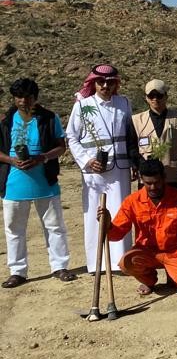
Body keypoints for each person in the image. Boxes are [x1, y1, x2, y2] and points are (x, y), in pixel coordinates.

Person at [0, 78, 73, 287]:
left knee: (54, 226)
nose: (23, 101)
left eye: (28, 97)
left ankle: (60, 267)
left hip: (45, 181)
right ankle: (17, 271)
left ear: (35, 97)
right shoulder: (5, 121)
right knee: (14, 229)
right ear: (14, 98)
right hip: (14, 182)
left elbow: (61, 147)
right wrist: (12, 160)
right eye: (19, 97)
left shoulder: (49, 118)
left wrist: (42, 157)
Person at [66, 64, 139, 273]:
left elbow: (131, 136)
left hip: (120, 169)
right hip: (94, 171)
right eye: (101, 82)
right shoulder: (82, 106)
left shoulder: (124, 103)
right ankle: (96, 262)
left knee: (121, 212)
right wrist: (87, 160)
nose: (105, 86)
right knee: (94, 215)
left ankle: (121, 261)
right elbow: (71, 136)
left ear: (116, 84)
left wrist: (134, 163)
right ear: (94, 83)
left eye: (110, 82)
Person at [99, 158, 177, 295]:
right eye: (148, 183)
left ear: (164, 178)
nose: (153, 187)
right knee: (127, 263)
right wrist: (107, 224)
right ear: (141, 180)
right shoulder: (132, 201)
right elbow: (117, 234)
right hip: (147, 252)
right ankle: (148, 281)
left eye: (157, 182)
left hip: (176, 252)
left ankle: (172, 273)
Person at [132, 79, 177, 189]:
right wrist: (137, 165)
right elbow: (132, 148)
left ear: (166, 96)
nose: (155, 99)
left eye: (159, 95)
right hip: (149, 179)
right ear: (146, 98)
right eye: (151, 96)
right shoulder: (136, 120)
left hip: (174, 175)